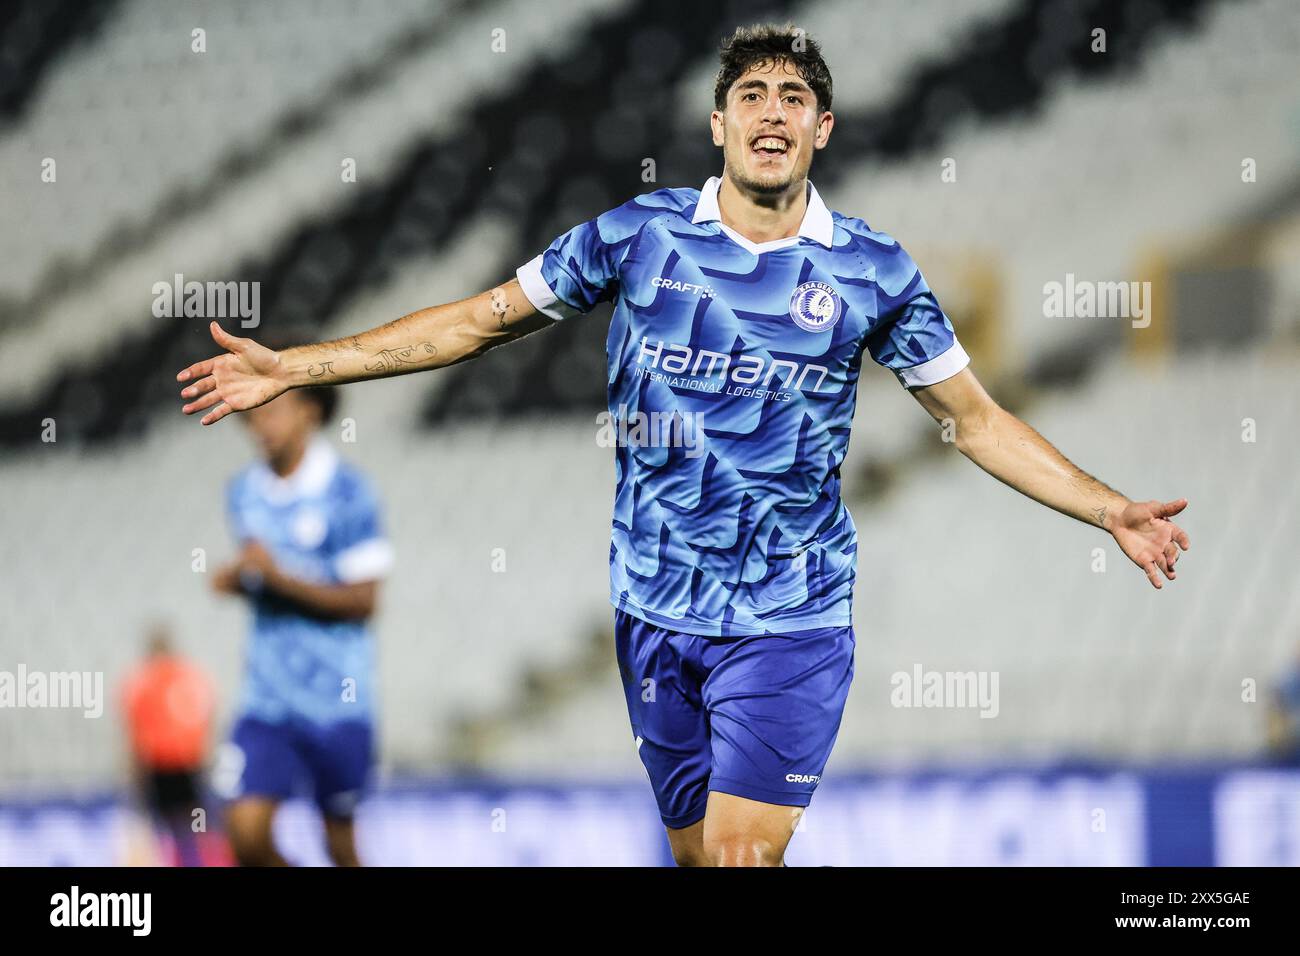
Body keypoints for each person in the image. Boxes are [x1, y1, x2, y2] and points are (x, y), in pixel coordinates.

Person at [176, 24, 1189, 866]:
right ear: (716, 122)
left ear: (823, 129)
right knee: (703, 859)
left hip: (789, 615)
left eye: (795, 96)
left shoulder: (871, 270)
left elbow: (970, 418)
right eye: (751, 92)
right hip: (654, 607)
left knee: (745, 857)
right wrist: (294, 367)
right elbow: (480, 319)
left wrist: (1107, 507)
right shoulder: (640, 236)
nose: (772, 110)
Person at [208, 375, 392, 866]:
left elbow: (364, 600)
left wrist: (277, 579)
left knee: (339, 844)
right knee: (244, 832)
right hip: (266, 700)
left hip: (338, 699)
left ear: (310, 411)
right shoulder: (244, 491)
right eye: (253, 415)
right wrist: (238, 579)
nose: (258, 424)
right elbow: (260, 571)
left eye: (272, 410)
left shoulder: (349, 493)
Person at [120, 625, 217, 866]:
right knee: (197, 826)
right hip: (190, 767)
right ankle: (198, 862)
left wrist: (135, 776)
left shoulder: (140, 681)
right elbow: (206, 717)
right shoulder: (192, 676)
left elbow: (135, 734)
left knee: (158, 830)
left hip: (158, 768)